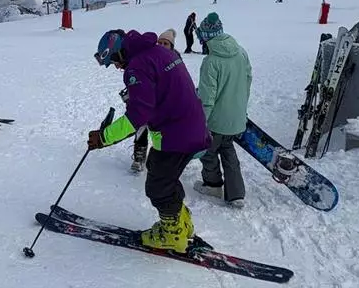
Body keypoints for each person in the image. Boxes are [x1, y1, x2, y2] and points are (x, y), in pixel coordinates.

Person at [89, 29, 211, 252]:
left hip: (177, 133)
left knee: (158, 186)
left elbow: (138, 116)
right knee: (164, 176)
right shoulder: (158, 52)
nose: (117, 67)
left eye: (114, 61)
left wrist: (104, 138)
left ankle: (173, 235)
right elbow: (157, 95)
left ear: (119, 51)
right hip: (191, 125)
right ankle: (180, 224)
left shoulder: (136, 65)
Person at [192, 13, 251, 208]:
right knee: (227, 149)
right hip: (236, 118)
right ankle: (236, 194)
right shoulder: (241, 52)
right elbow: (248, 80)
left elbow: (207, 100)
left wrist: (200, 124)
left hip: (217, 120)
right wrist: (241, 108)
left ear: (205, 37)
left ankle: (213, 185)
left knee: (208, 151)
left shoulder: (211, 61)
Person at [130, 28, 179, 173]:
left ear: (171, 46)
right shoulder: (152, 57)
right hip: (150, 100)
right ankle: (139, 156)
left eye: (166, 43)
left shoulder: (175, 59)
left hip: (165, 104)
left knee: (165, 133)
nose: (162, 46)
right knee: (141, 126)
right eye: (160, 43)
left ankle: (166, 158)